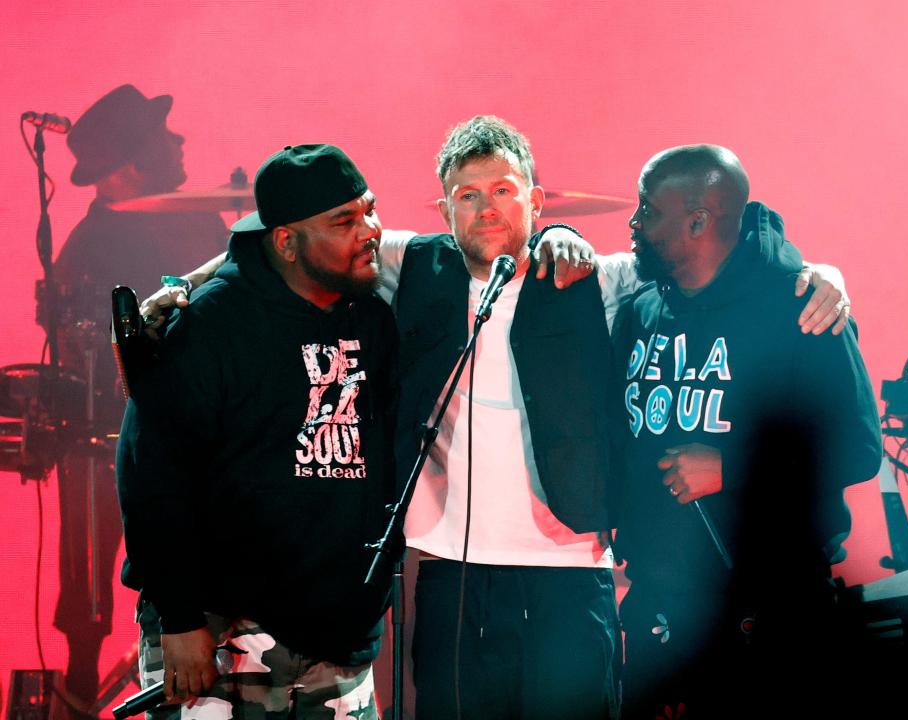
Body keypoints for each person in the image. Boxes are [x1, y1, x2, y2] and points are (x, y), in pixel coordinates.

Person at [139, 118, 851, 720]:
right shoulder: (409, 265)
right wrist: (188, 286)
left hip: (572, 565)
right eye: (466, 195)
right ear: (443, 209)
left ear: (537, 199)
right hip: (452, 566)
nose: (486, 208)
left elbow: (717, 249)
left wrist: (816, 272)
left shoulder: (597, 277)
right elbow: (277, 249)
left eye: (504, 191)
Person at [116, 144, 397, 719]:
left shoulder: (372, 315)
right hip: (222, 635)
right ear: (287, 242)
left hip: (336, 637)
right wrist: (181, 617)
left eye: (369, 210)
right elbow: (151, 474)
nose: (369, 231)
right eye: (344, 221)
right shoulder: (213, 324)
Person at [612, 145, 882, 718]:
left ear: (698, 219)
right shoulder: (639, 311)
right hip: (661, 605)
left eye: (647, 211)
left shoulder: (799, 306)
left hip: (773, 607)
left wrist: (731, 467)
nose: (633, 224)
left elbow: (856, 447)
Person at [50, 84, 228, 706]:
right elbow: (77, 353)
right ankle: (78, 688)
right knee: (91, 568)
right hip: (111, 433)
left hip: (207, 430)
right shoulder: (88, 246)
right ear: (127, 164)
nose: (178, 141)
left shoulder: (201, 220)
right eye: (162, 135)